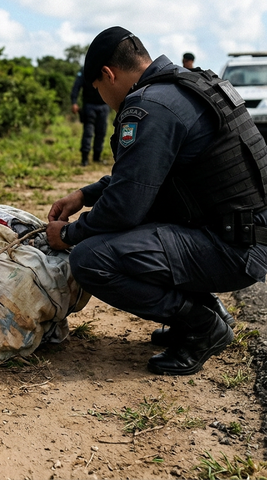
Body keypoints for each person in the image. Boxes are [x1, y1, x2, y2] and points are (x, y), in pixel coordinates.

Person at [46, 26, 267, 376]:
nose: (103, 97)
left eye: (99, 89)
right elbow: (146, 176)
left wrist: (70, 235)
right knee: (135, 229)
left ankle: (203, 325)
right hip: (243, 235)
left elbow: (124, 206)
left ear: (108, 74)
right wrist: (84, 195)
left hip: (234, 249)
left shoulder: (149, 105)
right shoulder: (186, 85)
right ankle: (207, 311)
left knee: (90, 258)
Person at [71, 67, 111, 166]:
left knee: (101, 132)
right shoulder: (84, 71)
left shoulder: (105, 69)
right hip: (89, 106)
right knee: (88, 132)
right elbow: (76, 86)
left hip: (104, 105)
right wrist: (74, 102)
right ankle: (84, 159)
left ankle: (97, 157)